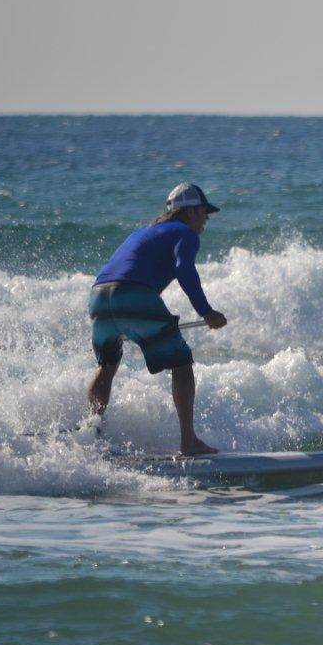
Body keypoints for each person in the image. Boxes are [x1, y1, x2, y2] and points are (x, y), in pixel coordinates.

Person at [87, 182, 227, 455]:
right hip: (132, 294)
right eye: (204, 214)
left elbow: (135, 274)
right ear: (192, 211)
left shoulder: (144, 232)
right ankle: (189, 442)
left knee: (107, 366)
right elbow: (184, 270)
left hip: (99, 297)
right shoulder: (185, 233)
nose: (206, 221)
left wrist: (131, 319)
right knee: (182, 363)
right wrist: (206, 312)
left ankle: (91, 435)